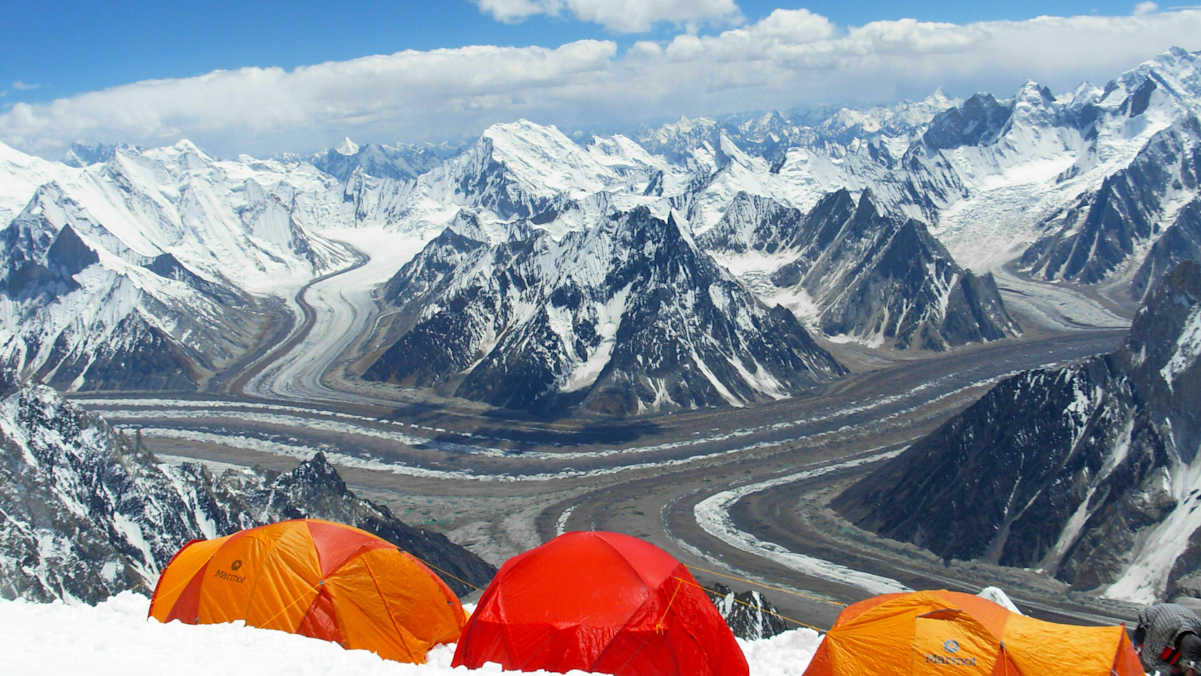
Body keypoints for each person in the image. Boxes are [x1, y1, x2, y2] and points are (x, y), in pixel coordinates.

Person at [1134, 603, 1201, 675]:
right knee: (1149, 663)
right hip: (1146, 624)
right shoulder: (1160, 636)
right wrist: (1172, 669)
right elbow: (1149, 659)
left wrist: (1195, 670)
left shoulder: (1198, 626)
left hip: (1174, 616)